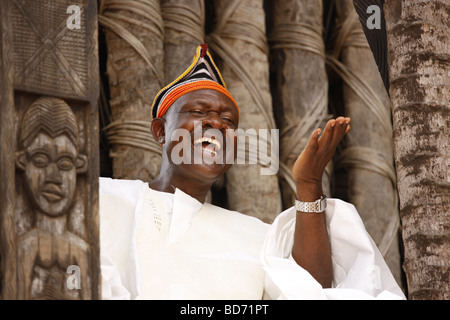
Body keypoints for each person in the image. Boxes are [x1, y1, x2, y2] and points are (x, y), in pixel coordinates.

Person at [99, 44, 405, 300]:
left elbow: (312, 292)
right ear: (160, 131)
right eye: (198, 112)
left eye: (228, 121)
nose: (217, 124)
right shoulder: (104, 197)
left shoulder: (257, 236)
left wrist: (309, 184)